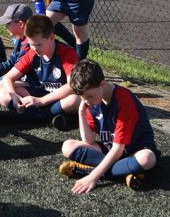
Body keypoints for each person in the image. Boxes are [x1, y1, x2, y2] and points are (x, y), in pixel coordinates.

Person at [59, 59, 160, 193]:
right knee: (67, 146)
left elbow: (118, 148)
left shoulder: (123, 99)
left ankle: (89, 170)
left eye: (89, 96)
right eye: (82, 98)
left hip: (134, 151)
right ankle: (126, 172)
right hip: (110, 149)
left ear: (102, 84)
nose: (86, 101)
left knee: (147, 159)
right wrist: (81, 112)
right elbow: (88, 140)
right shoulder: (91, 102)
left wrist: (92, 177)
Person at [0, 14, 81, 130]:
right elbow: (8, 77)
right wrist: (14, 96)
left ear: (52, 38)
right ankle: (55, 117)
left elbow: (72, 85)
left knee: (75, 100)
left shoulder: (67, 53)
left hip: (59, 97)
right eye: (31, 44)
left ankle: (23, 117)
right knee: (3, 93)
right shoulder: (32, 53)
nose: (35, 48)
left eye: (38, 45)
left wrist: (41, 101)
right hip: (41, 94)